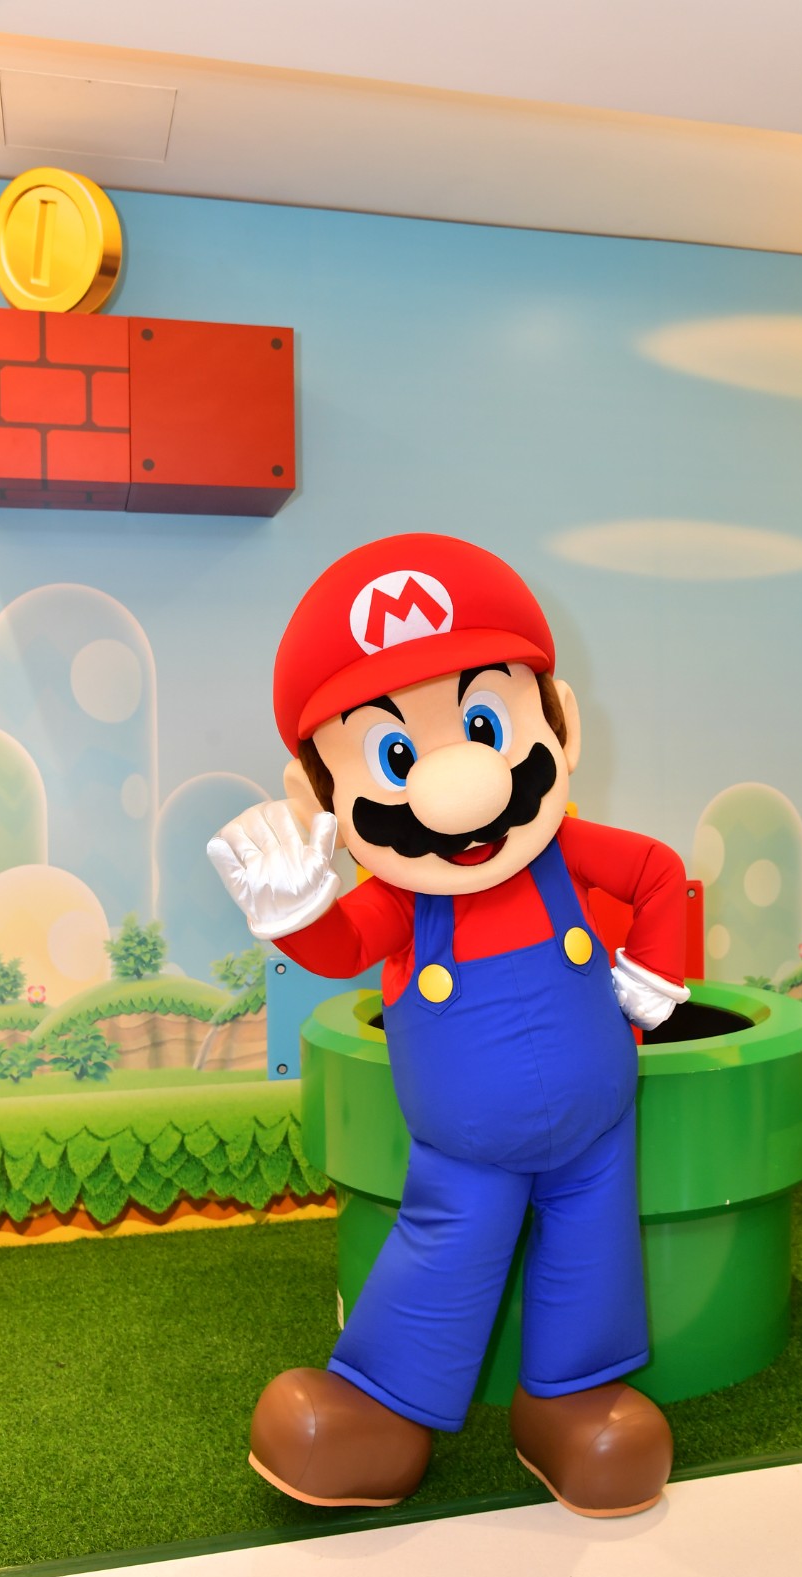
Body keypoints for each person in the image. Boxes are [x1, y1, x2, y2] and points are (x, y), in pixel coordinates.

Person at [208, 532, 689, 1517]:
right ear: (320, 796)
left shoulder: (568, 854)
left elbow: (656, 873)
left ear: (560, 724)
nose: (456, 785)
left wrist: (652, 973)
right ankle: (382, 1412)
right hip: (467, 1151)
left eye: (483, 723)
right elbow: (344, 945)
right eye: (396, 755)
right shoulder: (402, 897)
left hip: (596, 1125)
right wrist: (296, 914)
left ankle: (571, 1399)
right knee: (446, 1249)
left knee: (590, 1250)